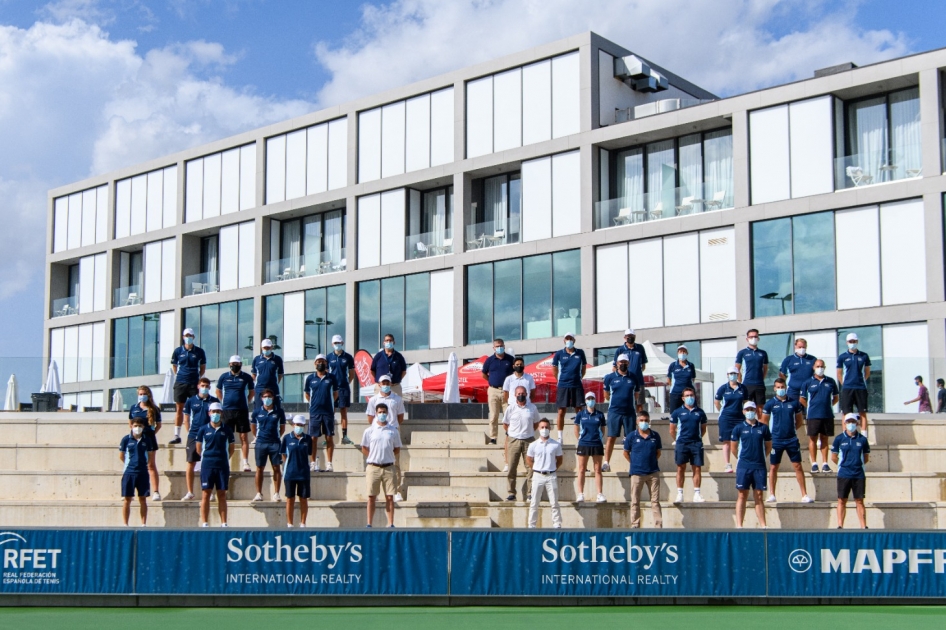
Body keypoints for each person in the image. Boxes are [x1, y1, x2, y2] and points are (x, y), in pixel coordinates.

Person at [762, 377, 813, 504]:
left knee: (798, 466)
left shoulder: (794, 403)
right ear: (774, 388)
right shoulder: (770, 404)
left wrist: (791, 430)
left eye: (782, 387)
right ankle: (772, 494)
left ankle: (804, 494)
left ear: (786, 387)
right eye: (778, 387)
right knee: (774, 467)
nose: (780, 389)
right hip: (776, 440)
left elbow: (799, 421)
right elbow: (764, 422)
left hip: (791, 440)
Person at [732, 401, 772, 528]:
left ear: (756, 411)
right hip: (744, 466)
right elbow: (734, 448)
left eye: (752, 409)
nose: (749, 411)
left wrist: (760, 457)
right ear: (743, 411)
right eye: (747, 409)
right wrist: (742, 459)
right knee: (742, 494)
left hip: (759, 466)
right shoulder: (738, 428)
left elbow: (768, 446)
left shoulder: (763, 428)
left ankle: (763, 525)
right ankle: (739, 525)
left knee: (759, 495)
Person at [366, 374, 406, 502]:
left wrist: (393, 428)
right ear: (379, 384)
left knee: (395, 463)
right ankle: (375, 492)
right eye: (383, 383)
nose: (385, 385)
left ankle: (397, 491)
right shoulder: (373, 400)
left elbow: (400, 417)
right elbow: (370, 418)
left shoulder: (397, 399)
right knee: (375, 462)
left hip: (391, 432)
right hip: (377, 433)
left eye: (387, 383)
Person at [361, 402, 402, 528]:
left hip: (389, 467)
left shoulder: (393, 431)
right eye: (380, 412)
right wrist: (373, 457)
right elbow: (364, 447)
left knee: (390, 497)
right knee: (371, 496)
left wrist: (387, 457)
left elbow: (397, 448)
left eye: (384, 412)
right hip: (373, 467)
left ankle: (390, 523)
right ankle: (369, 523)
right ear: (375, 414)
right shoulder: (369, 431)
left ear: (387, 413)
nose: (382, 414)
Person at [196, 402, 234, 527]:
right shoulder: (203, 429)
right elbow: (198, 448)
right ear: (209, 413)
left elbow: (231, 448)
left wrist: (222, 458)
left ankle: (224, 523)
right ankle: (205, 522)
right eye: (213, 412)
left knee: (222, 494)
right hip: (207, 465)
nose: (215, 414)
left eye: (218, 412)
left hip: (222, 465)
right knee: (206, 493)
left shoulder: (227, 430)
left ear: (221, 413)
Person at [215, 355, 255, 472]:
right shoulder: (223, 377)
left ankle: (245, 462)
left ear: (241, 365)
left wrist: (245, 401)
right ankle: (225, 460)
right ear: (229, 364)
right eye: (233, 364)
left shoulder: (246, 377)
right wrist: (223, 401)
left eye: (237, 364)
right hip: (227, 410)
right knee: (227, 437)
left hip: (241, 410)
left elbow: (252, 392)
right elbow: (218, 390)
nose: (235, 366)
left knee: (243, 437)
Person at [180, 377, 218, 501]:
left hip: (209, 435)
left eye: (207, 386)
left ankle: (210, 491)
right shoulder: (191, 401)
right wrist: (190, 432)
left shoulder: (214, 401)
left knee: (209, 463)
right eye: (203, 385)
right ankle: (190, 492)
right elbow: (186, 418)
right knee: (190, 463)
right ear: (198, 386)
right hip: (194, 435)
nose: (205, 388)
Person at [799, 359, 839, 474]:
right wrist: (810, 407)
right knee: (813, 438)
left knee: (825, 439)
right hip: (813, 415)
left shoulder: (830, 381)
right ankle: (814, 464)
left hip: (827, 415)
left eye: (822, 366)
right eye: (817, 366)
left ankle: (825, 463)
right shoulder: (808, 382)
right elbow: (802, 399)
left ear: (824, 367)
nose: (820, 368)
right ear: (813, 367)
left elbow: (836, 397)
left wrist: (828, 405)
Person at [831, 413, 871, 529]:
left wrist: (857, 464)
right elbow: (834, 457)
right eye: (848, 422)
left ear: (857, 423)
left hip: (858, 474)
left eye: (853, 422)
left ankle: (863, 526)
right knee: (842, 500)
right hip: (844, 473)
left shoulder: (862, 440)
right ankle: (840, 525)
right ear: (845, 423)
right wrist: (843, 465)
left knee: (859, 500)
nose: (851, 424)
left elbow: (866, 457)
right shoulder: (839, 439)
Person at [624, 410, 662, 528]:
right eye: (641, 420)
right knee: (635, 501)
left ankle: (658, 525)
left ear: (649, 421)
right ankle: (635, 524)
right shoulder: (631, 436)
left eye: (646, 420)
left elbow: (658, 453)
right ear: (637, 421)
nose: (644, 422)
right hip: (637, 473)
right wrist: (634, 463)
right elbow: (626, 453)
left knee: (655, 501)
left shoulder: (655, 436)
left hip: (653, 473)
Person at [169, 328, 207, 445]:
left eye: (190, 335)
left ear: (194, 337)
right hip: (180, 382)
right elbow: (174, 366)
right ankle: (177, 435)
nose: (188, 337)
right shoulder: (178, 351)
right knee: (179, 408)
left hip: (193, 383)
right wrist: (181, 376)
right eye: (186, 335)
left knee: (196, 408)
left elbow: (202, 367)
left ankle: (196, 434)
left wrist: (196, 378)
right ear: (183, 337)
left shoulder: (199, 351)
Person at [669, 386, 706, 503]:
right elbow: (672, 429)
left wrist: (698, 439)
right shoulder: (677, 412)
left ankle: (697, 493)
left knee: (697, 468)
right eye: (687, 396)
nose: (690, 397)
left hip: (696, 443)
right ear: (683, 398)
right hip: (682, 443)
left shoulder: (700, 412)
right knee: (681, 468)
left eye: (691, 395)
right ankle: (680, 493)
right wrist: (678, 439)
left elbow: (703, 429)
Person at [503, 385, 539, 501]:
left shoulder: (532, 408)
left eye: (523, 393)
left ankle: (530, 493)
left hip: (528, 440)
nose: (521, 395)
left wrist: (528, 432)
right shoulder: (510, 408)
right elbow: (505, 424)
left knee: (531, 468)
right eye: (518, 394)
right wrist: (512, 433)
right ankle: (511, 493)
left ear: (527, 394)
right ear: (514, 395)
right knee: (512, 467)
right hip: (513, 440)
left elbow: (536, 423)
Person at [526, 419, 563, 529]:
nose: (544, 429)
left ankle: (557, 524)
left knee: (554, 502)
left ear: (550, 428)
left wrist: (553, 468)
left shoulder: (556, 444)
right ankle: (532, 525)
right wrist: (536, 469)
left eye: (546, 427)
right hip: (538, 475)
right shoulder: (533, 445)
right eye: (542, 427)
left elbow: (560, 459)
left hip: (551, 475)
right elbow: (529, 459)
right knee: (534, 502)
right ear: (538, 428)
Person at [602, 354, 637, 472]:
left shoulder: (633, 377)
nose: (623, 364)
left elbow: (636, 395)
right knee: (611, 437)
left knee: (631, 438)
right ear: (617, 363)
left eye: (625, 362)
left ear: (628, 363)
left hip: (629, 413)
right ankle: (606, 462)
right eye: (621, 362)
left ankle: (634, 463)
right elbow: (606, 395)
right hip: (614, 412)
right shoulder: (609, 377)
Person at [304, 354, 338, 473]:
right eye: (318, 361)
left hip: (328, 412)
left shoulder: (331, 377)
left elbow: (335, 393)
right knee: (313, 438)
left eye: (322, 361)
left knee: (329, 437)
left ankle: (329, 463)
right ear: (315, 363)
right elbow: (307, 394)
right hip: (314, 412)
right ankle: (312, 463)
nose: (320, 363)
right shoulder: (310, 378)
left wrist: (329, 403)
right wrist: (315, 403)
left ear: (326, 363)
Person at [251, 389, 286, 502]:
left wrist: (275, 437)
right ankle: (258, 493)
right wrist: (258, 437)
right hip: (261, 443)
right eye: (265, 396)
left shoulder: (279, 411)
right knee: (259, 468)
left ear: (273, 398)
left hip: (275, 443)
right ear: (261, 398)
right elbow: (253, 427)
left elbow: (282, 428)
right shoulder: (256, 412)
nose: (267, 399)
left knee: (276, 468)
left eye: (269, 396)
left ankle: (276, 493)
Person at [502, 356, 536, 473]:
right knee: (508, 436)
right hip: (513, 408)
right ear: (513, 366)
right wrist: (510, 405)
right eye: (517, 364)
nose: (519, 366)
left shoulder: (529, 378)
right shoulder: (508, 379)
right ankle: (507, 463)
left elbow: (533, 393)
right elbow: (505, 394)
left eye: (521, 364)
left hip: (526, 408)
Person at [128, 385, 161, 501]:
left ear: (148, 395)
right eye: (140, 394)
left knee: (151, 465)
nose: (142, 396)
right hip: (136, 439)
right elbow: (130, 423)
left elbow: (159, 425)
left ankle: (156, 491)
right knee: (133, 463)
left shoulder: (154, 409)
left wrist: (151, 434)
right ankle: (129, 492)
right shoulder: (133, 408)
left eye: (144, 394)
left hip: (149, 439)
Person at [552, 333, 587, 442]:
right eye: (567, 339)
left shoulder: (580, 353)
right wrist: (559, 380)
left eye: (571, 339)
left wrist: (579, 377)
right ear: (564, 341)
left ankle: (581, 433)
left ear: (574, 340)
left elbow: (584, 368)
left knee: (579, 410)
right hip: (563, 385)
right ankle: (560, 437)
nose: (569, 341)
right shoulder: (559, 354)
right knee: (561, 411)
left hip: (576, 384)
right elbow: (554, 368)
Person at [714, 365, 748, 473]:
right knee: (726, 441)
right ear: (727, 375)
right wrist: (722, 412)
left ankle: (740, 461)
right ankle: (727, 464)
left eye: (735, 374)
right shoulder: (723, 388)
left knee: (740, 440)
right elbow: (717, 402)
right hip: (726, 418)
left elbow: (745, 402)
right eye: (731, 374)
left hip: (739, 418)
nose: (733, 376)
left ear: (738, 375)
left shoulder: (743, 388)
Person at [574, 392, 606, 503]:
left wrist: (599, 438)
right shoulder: (580, 414)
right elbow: (576, 428)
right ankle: (580, 494)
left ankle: (599, 494)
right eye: (588, 398)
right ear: (585, 400)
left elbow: (603, 429)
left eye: (592, 398)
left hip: (597, 443)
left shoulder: (600, 415)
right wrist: (580, 438)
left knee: (597, 469)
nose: (590, 400)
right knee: (582, 469)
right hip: (584, 444)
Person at [281, 415, 313, 528]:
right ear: (293, 425)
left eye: (301, 425)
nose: (299, 427)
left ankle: (303, 523)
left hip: (304, 474)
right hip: (290, 473)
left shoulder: (308, 439)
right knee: (290, 498)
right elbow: (284, 455)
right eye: (297, 424)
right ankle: (290, 523)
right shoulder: (286, 438)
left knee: (303, 499)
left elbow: (309, 453)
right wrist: (290, 464)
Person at [837, 332, 871, 434]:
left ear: (857, 342)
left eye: (854, 341)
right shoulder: (842, 357)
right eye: (850, 341)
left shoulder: (864, 356)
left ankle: (864, 435)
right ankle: (845, 434)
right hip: (847, 388)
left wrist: (861, 381)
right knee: (845, 412)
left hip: (860, 387)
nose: (852, 343)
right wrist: (845, 384)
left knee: (862, 412)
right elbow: (839, 373)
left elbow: (867, 372)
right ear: (847, 342)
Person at [483, 338, 515, 446]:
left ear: (504, 346)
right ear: (493, 348)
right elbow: (483, 373)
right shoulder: (489, 360)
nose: (499, 348)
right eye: (497, 346)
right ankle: (493, 438)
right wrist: (491, 381)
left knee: (509, 414)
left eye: (501, 345)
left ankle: (510, 435)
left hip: (507, 391)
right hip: (493, 390)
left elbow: (514, 374)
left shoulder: (510, 359)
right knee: (493, 415)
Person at [119, 417, 150, 526]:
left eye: (140, 426)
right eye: (135, 426)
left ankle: (143, 524)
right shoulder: (126, 439)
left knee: (143, 498)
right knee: (127, 499)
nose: (138, 428)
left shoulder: (147, 440)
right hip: (129, 472)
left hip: (143, 473)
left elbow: (149, 457)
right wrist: (131, 465)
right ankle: (125, 524)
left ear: (143, 427)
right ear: (131, 426)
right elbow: (121, 456)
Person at [327, 335, 356, 445]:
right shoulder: (328, 357)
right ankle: (329, 436)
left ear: (342, 343)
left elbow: (351, 373)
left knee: (343, 412)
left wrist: (346, 382)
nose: (337, 345)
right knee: (331, 412)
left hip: (344, 388)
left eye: (339, 343)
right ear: (332, 344)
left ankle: (345, 437)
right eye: (335, 343)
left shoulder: (348, 357)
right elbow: (326, 373)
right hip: (332, 389)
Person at [612, 328, 648, 407]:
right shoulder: (620, 350)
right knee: (626, 403)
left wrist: (637, 373)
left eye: (632, 336)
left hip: (638, 381)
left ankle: (639, 419)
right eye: (628, 336)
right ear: (624, 337)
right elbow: (614, 367)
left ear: (635, 337)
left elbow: (643, 365)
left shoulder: (640, 348)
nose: (630, 338)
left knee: (639, 404)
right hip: (625, 381)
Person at [735, 329, 768, 408]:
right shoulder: (742, 353)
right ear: (747, 339)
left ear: (758, 338)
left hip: (759, 385)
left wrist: (761, 379)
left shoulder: (763, 353)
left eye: (755, 336)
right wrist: (740, 381)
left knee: (760, 409)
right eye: (751, 337)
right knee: (747, 408)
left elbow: (765, 369)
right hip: (747, 384)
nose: (753, 338)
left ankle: (759, 421)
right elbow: (736, 369)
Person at [251, 338, 284, 415]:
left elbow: (280, 375)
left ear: (271, 347)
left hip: (273, 389)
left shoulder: (277, 359)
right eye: (264, 348)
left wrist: (272, 382)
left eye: (268, 347)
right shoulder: (256, 359)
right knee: (258, 411)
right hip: (259, 389)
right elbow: (254, 375)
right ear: (261, 348)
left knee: (275, 411)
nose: (266, 349)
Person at [665, 345, 696, 413]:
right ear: (677, 353)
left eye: (684, 351)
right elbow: (668, 379)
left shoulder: (691, 365)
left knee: (690, 412)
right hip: (675, 393)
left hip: (688, 394)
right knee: (674, 413)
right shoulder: (673, 365)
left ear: (687, 353)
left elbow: (693, 379)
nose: (682, 353)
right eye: (680, 351)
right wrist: (674, 387)